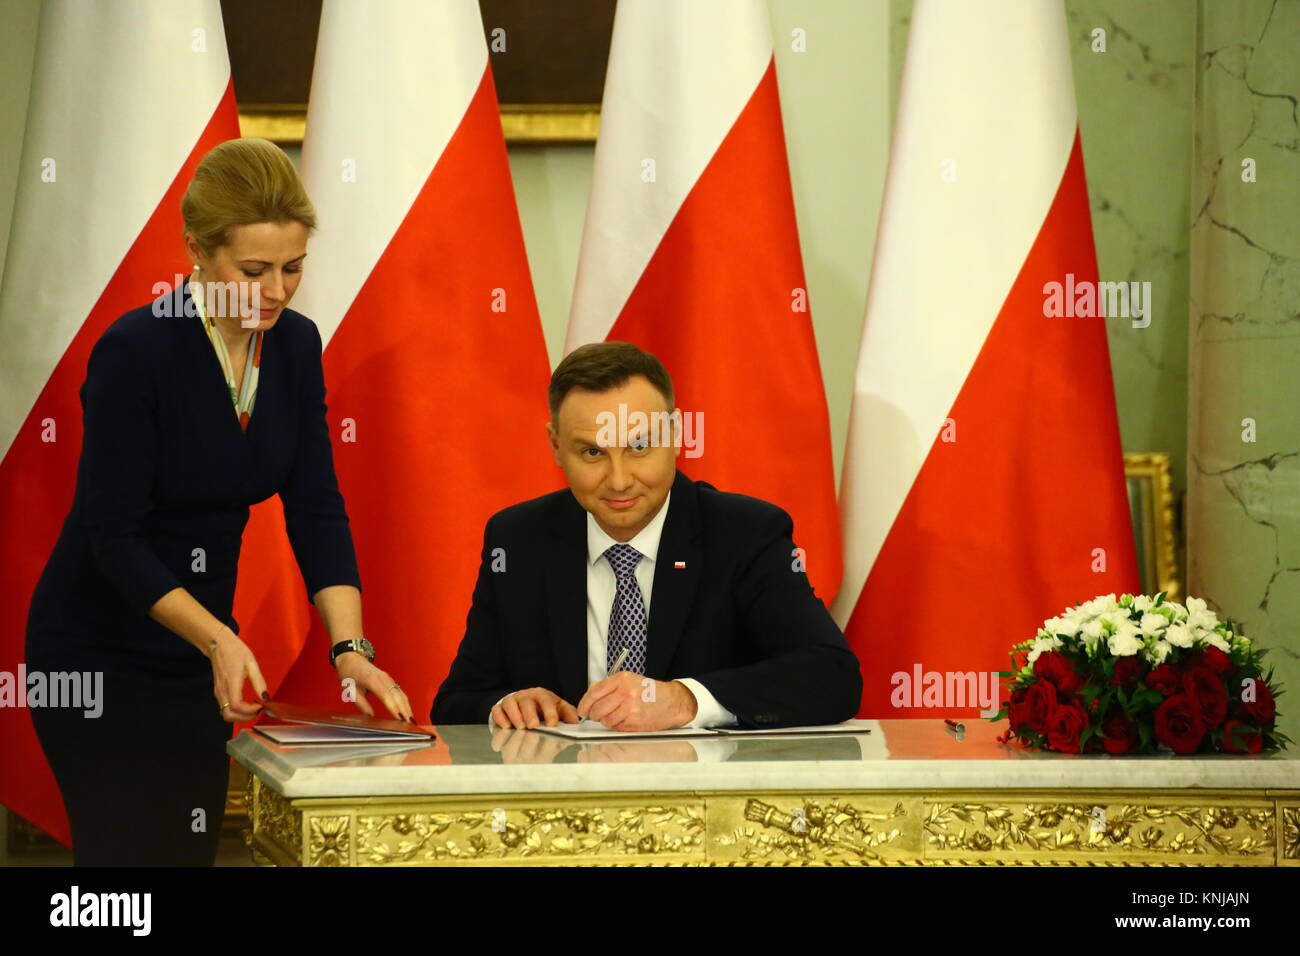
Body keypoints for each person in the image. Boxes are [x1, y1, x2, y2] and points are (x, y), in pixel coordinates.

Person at [24, 138, 413, 866]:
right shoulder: (137, 349)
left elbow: (317, 508)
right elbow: (112, 534)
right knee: (123, 869)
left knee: (187, 855)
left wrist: (350, 651)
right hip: (99, 653)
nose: (277, 291)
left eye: (293, 269)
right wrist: (220, 640)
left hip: (201, 658)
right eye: (254, 271)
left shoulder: (295, 347)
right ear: (197, 251)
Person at [431, 341, 861, 731]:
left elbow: (830, 677)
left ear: (675, 435)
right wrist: (505, 704)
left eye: (639, 447)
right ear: (555, 446)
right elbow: (457, 701)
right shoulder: (519, 539)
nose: (619, 481)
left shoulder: (744, 533)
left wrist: (685, 700)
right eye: (593, 452)